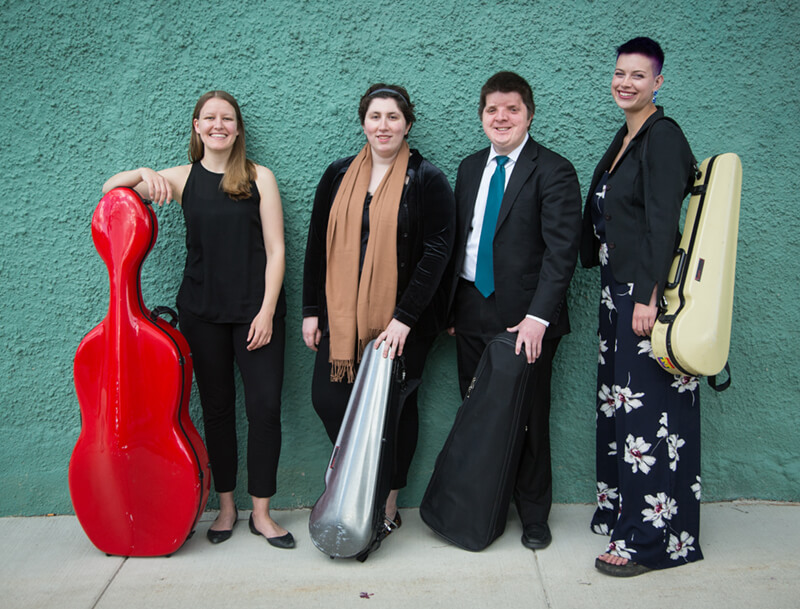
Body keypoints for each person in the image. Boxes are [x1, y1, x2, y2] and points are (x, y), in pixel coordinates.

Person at [102, 90, 294, 549]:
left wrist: (266, 310)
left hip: (256, 315)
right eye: (209, 118)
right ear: (197, 126)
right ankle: (227, 508)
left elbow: (277, 249)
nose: (218, 125)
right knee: (217, 410)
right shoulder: (182, 178)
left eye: (227, 118)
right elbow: (113, 190)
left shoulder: (258, 177)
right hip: (202, 314)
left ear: (238, 129)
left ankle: (262, 514)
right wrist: (142, 172)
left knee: (264, 410)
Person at [302, 83, 455, 535]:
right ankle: (357, 483)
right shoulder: (338, 174)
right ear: (363, 122)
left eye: (392, 117)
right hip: (341, 316)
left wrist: (403, 320)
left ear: (408, 124)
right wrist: (312, 310)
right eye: (375, 116)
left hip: (402, 322)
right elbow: (317, 246)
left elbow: (437, 252)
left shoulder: (427, 178)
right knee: (328, 400)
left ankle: (386, 502)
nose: (383, 125)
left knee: (395, 412)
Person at [580, 37, 703, 576]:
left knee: (649, 418)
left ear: (659, 82)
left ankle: (650, 542)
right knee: (621, 407)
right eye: (620, 73)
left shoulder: (664, 137)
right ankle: (624, 510)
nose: (625, 82)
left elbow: (662, 225)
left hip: (640, 295)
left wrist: (647, 297)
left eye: (638, 75)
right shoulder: (627, 136)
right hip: (617, 292)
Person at [449, 71, 582, 551]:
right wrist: (450, 306)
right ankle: (486, 508)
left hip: (526, 321)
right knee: (476, 412)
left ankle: (533, 516)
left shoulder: (554, 169)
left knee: (527, 418)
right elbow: (460, 241)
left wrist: (538, 318)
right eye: (492, 110)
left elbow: (561, 252)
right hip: (470, 310)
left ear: (529, 114)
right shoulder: (468, 168)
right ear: (481, 115)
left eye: (512, 109)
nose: (501, 117)